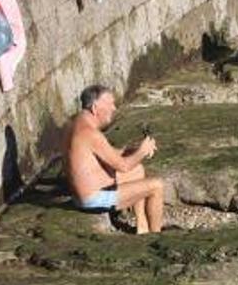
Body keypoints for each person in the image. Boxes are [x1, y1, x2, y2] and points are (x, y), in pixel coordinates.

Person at [63, 85, 166, 234]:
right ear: (95, 107)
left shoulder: (75, 124)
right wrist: (142, 151)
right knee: (157, 186)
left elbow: (106, 154)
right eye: (110, 104)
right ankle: (156, 235)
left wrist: (132, 149)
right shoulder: (90, 133)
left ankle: (142, 226)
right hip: (93, 199)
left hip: (85, 191)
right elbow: (123, 166)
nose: (114, 108)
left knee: (138, 170)